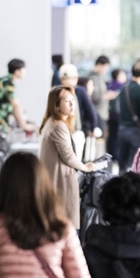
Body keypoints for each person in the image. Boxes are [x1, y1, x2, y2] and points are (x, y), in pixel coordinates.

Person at [39, 86, 95, 230]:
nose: (72, 104)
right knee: (66, 227)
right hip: (61, 182)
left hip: (54, 180)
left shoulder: (52, 123)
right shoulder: (58, 126)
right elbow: (68, 156)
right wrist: (86, 167)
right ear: (56, 105)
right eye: (66, 101)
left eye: (72, 100)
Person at [0, 58, 35, 133]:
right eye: (24, 69)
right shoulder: (9, 84)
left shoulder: (2, 81)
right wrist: (24, 125)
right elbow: (16, 106)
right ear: (17, 71)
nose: (25, 72)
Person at [117, 60, 140, 171]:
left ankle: (120, 186)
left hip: (122, 130)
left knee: (122, 164)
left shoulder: (124, 89)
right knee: (135, 165)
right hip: (136, 133)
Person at [106, 68, 127, 160]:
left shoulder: (110, 84)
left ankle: (111, 155)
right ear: (118, 76)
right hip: (118, 115)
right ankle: (115, 156)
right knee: (116, 137)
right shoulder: (120, 86)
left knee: (112, 136)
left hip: (110, 114)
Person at [88, 55, 110, 131]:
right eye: (106, 67)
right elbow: (95, 97)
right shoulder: (93, 78)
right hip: (98, 113)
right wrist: (107, 96)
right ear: (100, 65)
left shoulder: (100, 77)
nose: (106, 70)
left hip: (101, 113)